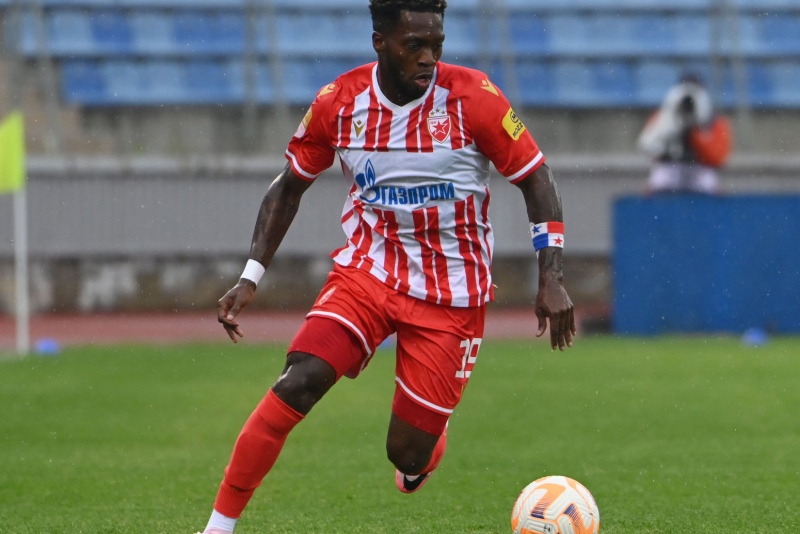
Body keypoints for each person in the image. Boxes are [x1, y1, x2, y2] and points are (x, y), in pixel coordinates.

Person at [198, 1, 575, 532]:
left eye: (436, 46)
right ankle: (217, 527)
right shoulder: (339, 102)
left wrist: (551, 277)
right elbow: (288, 188)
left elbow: (536, 178)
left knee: (407, 453)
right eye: (414, 46)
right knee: (298, 381)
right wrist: (250, 275)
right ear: (380, 42)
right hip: (368, 272)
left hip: (451, 293)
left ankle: (426, 444)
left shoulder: (474, 98)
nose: (428, 58)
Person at [638, 74, 732, 194]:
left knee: (714, 187)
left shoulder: (714, 121)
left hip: (700, 170)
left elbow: (718, 159)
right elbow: (647, 147)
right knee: (653, 184)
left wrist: (696, 132)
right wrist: (672, 126)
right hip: (670, 168)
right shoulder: (662, 118)